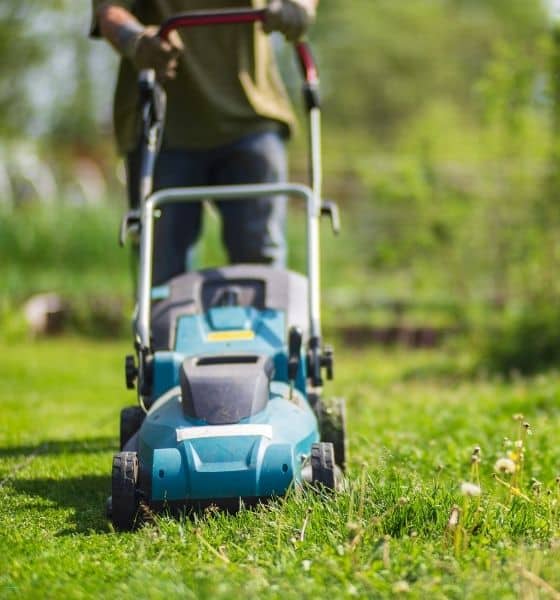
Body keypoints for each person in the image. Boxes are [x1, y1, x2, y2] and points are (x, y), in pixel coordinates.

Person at [90, 0, 319, 286]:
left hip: (251, 115)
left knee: (261, 264)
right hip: (162, 126)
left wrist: (299, 6)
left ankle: (262, 328)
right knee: (162, 273)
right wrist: (136, 40)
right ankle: (164, 330)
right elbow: (109, 10)